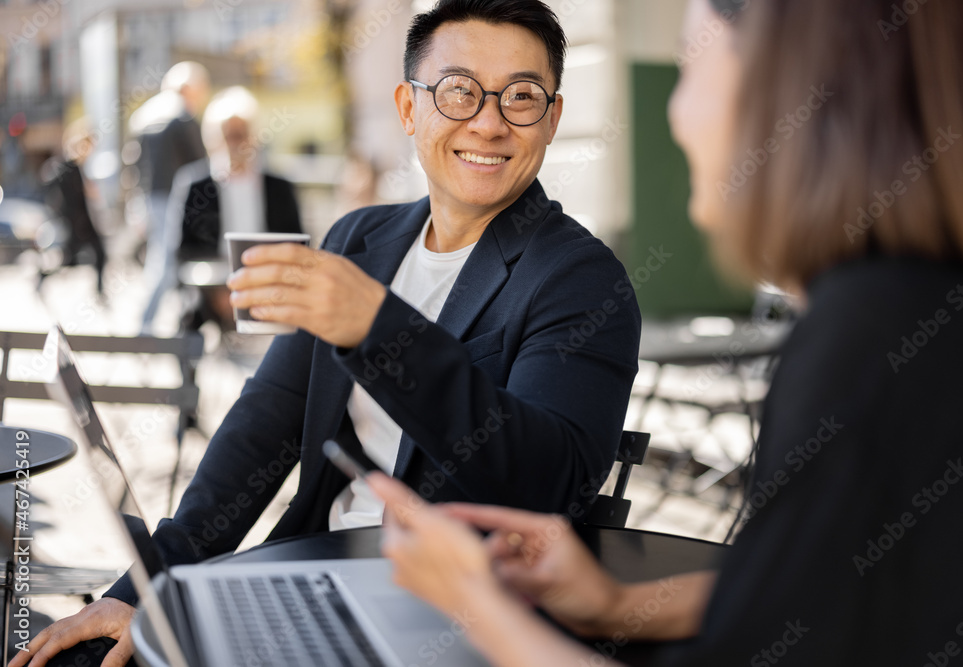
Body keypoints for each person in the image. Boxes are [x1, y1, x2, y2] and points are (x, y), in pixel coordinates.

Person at [367, 0, 963, 665]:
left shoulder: (865, 347)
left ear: (782, 92)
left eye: (690, 70)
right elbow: (831, 586)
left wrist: (474, 603)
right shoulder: (934, 316)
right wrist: (615, 602)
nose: (673, 114)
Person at [11, 2, 641, 665]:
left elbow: (550, 486)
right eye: (459, 92)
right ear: (408, 108)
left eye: (521, 96)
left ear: (552, 118)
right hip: (317, 570)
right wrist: (153, 579)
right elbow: (263, 428)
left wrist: (379, 326)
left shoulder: (582, 279)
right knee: (84, 656)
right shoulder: (359, 240)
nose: (487, 121)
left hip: (469, 615)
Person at [174, 86, 303, 331]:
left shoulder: (279, 187)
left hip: (269, 284)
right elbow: (181, 249)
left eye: (240, 134)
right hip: (210, 287)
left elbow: (296, 244)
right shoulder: (196, 186)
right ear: (213, 140)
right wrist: (218, 291)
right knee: (188, 321)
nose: (234, 143)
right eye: (227, 135)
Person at [132, 61, 211, 334]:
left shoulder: (147, 115)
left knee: (164, 263)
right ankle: (144, 327)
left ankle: (178, 325)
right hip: (177, 201)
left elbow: (133, 165)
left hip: (151, 199)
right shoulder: (181, 116)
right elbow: (200, 165)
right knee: (166, 264)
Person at [40, 119, 108, 296]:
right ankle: (41, 277)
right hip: (75, 221)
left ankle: (100, 291)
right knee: (68, 259)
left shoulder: (79, 168)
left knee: (100, 254)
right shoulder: (67, 168)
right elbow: (62, 195)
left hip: (84, 221)